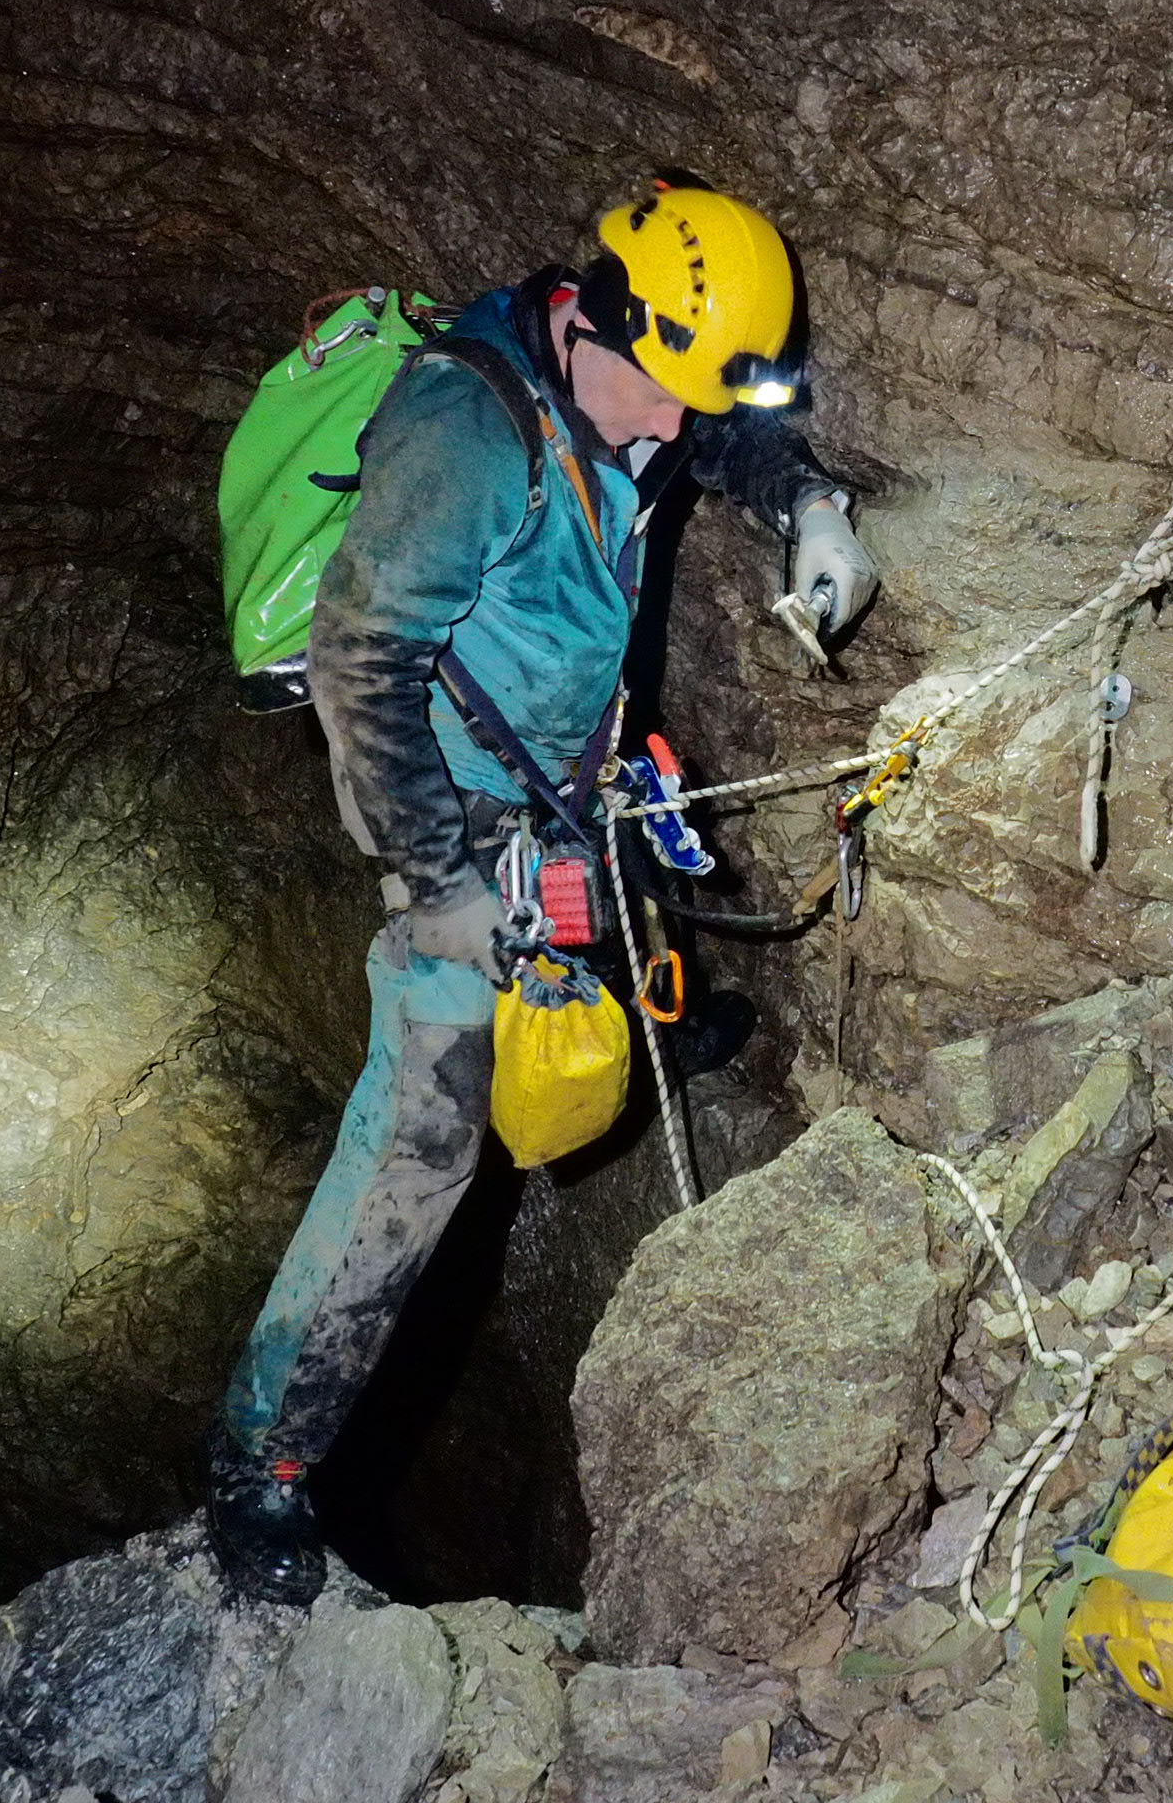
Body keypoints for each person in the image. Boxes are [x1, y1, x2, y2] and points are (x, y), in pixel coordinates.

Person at [206, 180, 876, 1604]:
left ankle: (645, 1020)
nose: (671, 432)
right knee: (420, 1155)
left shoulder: (638, 380)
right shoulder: (466, 434)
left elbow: (727, 421)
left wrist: (810, 504)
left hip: (566, 773)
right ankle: (262, 1463)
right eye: (660, 398)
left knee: (631, 858)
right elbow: (362, 662)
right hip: (460, 819)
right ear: (598, 327)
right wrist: (437, 885)